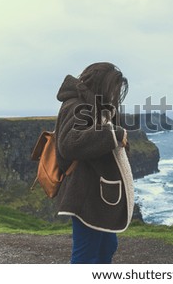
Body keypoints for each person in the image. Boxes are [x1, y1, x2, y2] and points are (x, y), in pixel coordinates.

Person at [54, 62, 134, 264]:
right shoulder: (76, 105)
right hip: (85, 193)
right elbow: (70, 143)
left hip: (98, 194)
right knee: (86, 254)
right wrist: (115, 133)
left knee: (107, 246)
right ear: (101, 84)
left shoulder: (95, 106)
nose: (115, 95)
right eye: (113, 89)